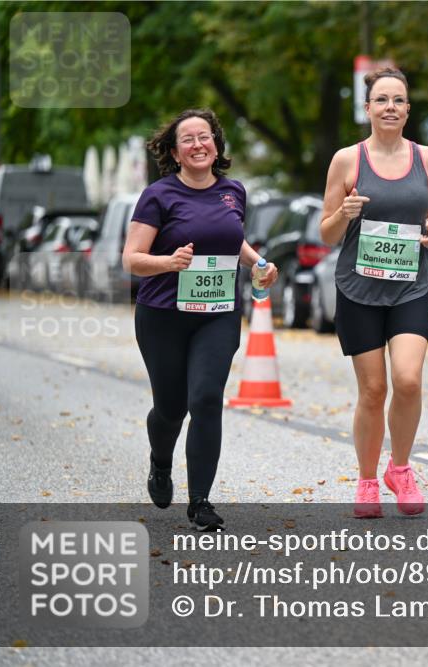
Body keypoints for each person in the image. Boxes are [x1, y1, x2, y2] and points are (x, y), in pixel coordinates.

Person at [122, 108, 278, 531]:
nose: (197, 145)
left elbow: (232, 240)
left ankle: (201, 502)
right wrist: (168, 262)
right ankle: (160, 461)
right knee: (171, 408)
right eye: (187, 139)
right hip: (163, 315)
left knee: (206, 399)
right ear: (175, 152)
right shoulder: (158, 195)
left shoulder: (234, 191)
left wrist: (259, 263)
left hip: (218, 314)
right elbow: (132, 259)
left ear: (216, 144)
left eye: (204, 137)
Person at [320, 67, 428, 518]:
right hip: (359, 289)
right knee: (373, 390)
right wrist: (345, 212)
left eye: (398, 100)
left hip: (410, 285)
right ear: (368, 108)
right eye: (382, 100)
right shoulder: (346, 160)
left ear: (408, 109)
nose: (390, 107)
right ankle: (368, 481)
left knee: (408, 380)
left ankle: (401, 469)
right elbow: (327, 233)